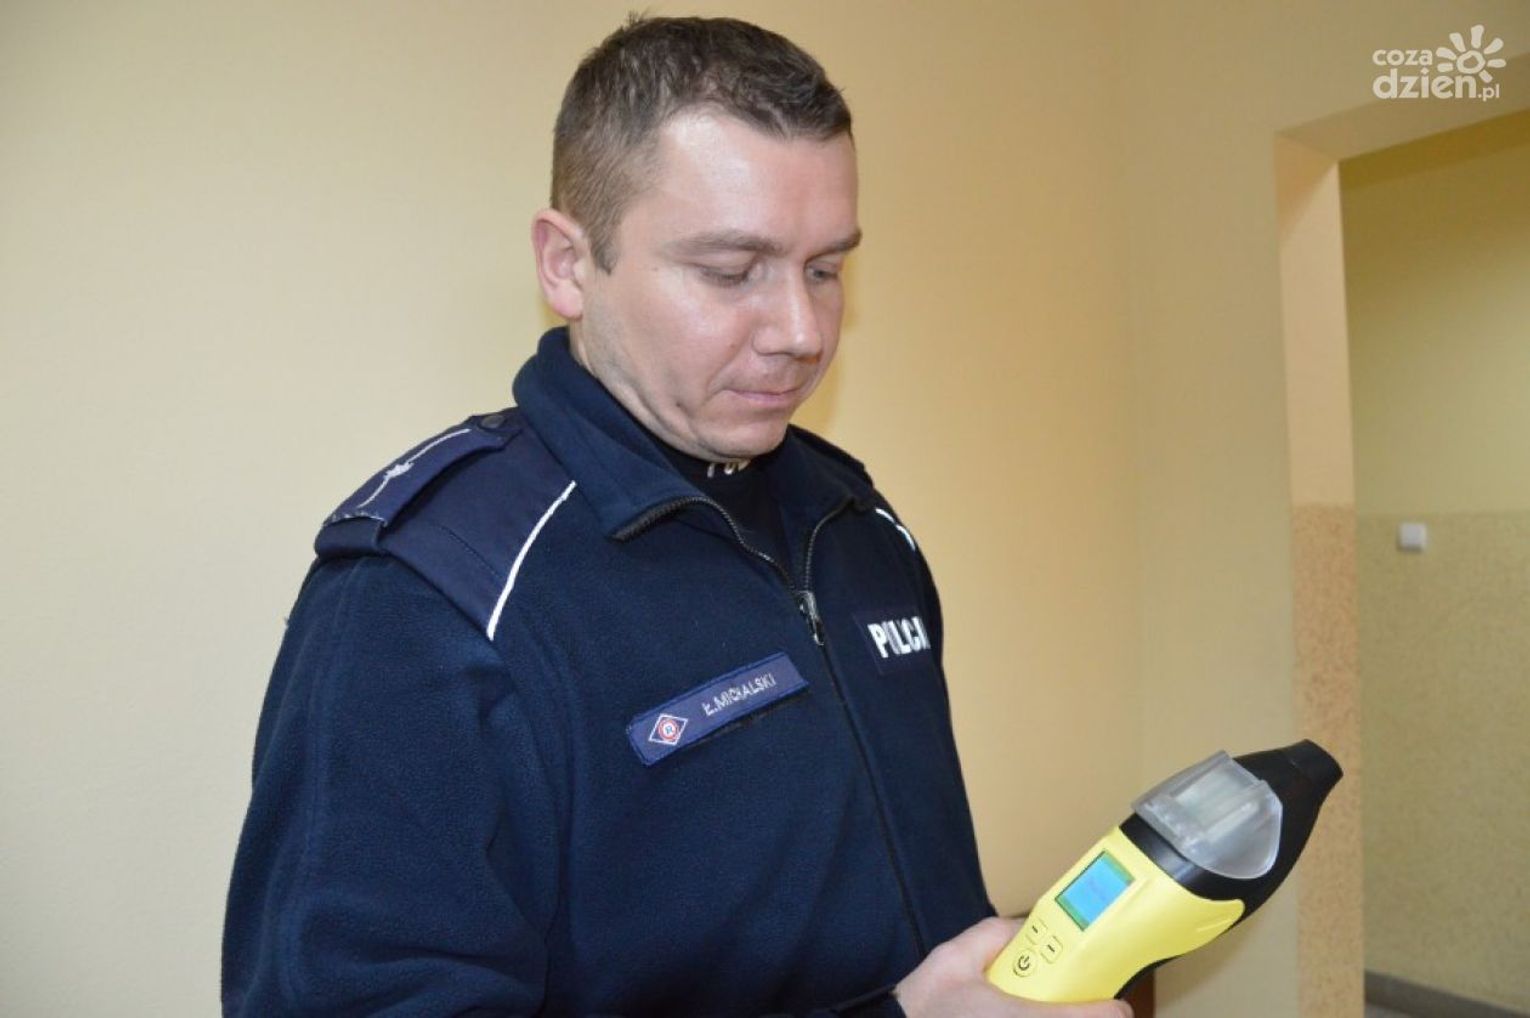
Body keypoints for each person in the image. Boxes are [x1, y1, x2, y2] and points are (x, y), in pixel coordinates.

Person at [222, 15, 1131, 1018]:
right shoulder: (430, 595)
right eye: (732, 271)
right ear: (569, 264)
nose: (802, 333)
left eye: (826, 269)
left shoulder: (856, 523)